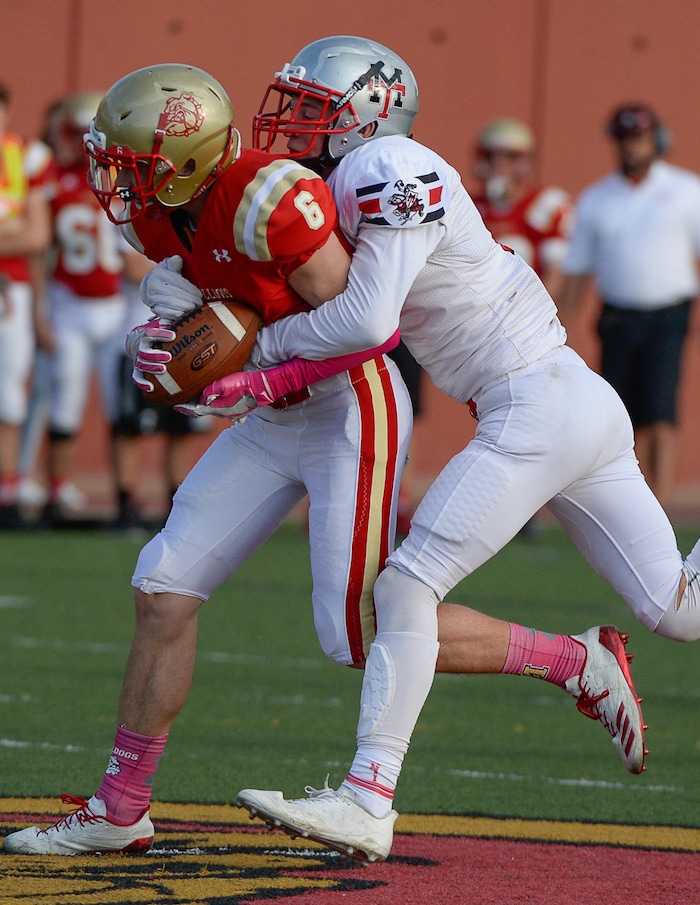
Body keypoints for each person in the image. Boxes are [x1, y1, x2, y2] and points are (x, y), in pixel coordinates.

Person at [2, 60, 643, 860]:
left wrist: (251, 358)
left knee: (362, 631)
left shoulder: (272, 199)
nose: (115, 182)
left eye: (131, 165)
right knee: (162, 586)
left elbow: (359, 325)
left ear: (189, 162)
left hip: (348, 405)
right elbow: (215, 309)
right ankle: (121, 805)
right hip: (272, 417)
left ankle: (576, 662)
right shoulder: (153, 217)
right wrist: (172, 329)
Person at [175, 36, 699, 863]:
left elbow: (369, 322)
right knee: (679, 606)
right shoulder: (359, 178)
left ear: (369, 113)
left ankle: (368, 796)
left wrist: (263, 364)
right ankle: (573, 668)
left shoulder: (385, 164)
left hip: (536, 400)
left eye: (312, 109)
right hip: (570, 397)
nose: (293, 126)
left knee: (405, 583)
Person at [558, 104, 700, 510]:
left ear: (655, 139)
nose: (632, 148)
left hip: (667, 315)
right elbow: (578, 271)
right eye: (624, 140)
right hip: (618, 317)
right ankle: (628, 504)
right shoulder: (597, 198)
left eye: (638, 138)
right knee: (620, 414)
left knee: (660, 412)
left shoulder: (686, 190)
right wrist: (562, 327)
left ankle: (661, 503)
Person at [472, 117, 573, 538]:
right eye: (492, 155)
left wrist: (542, 317)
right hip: (481, 332)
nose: (499, 165)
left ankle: (538, 503)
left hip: (528, 330)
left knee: (537, 418)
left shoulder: (543, 205)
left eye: (508, 157)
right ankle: (507, 505)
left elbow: (558, 272)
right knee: (493, 421)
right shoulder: (472, 206)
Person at [0, 80, 52, 528]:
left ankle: (10, 489)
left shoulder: (27, 157)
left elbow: (36, 235)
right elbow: (22, 234)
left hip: (11, 291)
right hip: (9, 277)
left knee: (9, 394)